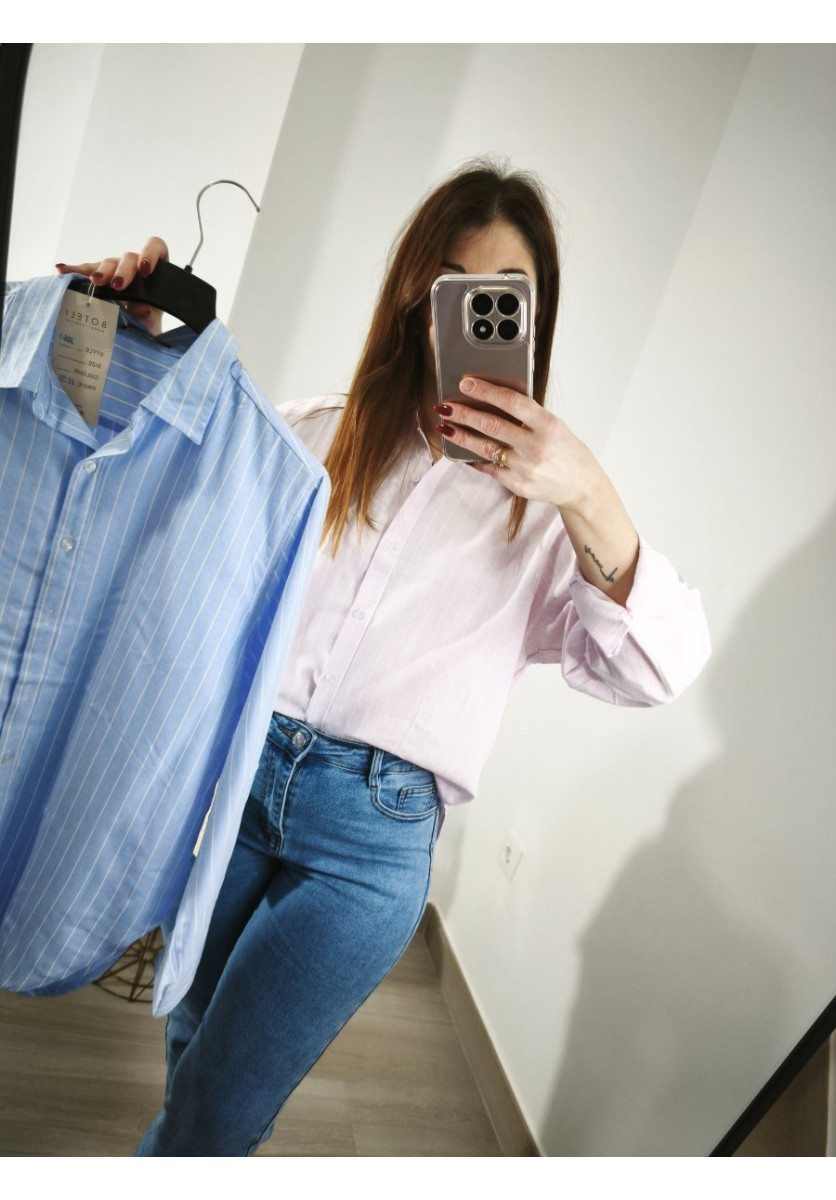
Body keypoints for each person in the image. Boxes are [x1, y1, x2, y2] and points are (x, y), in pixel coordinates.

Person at [57, 160, 710, 1156]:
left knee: (216, 1113)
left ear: (534, 319)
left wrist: (585, 489)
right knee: (189, 1043)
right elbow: (130, 478)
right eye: (454, 284)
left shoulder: (548, 521)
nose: (476, 313)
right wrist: (134, 337)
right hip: (240, 791)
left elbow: (657, 668)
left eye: (505, 295)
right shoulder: (315, 433)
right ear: (416, 297)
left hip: (368, 847)